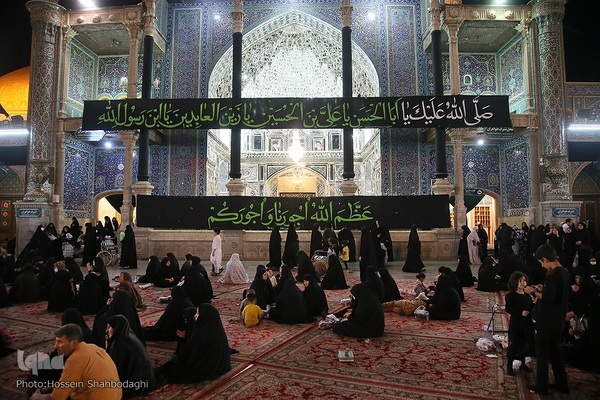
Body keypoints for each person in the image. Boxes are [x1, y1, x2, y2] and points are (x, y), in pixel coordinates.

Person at [29, 324, 121, 400]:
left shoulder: (75, 360)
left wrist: (36, 397)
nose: (55, 346)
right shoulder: (93, 347)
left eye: (60, 342)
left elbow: (56, 398)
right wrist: (50, 389)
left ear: (73, 342)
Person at [524, 244, 570, 395]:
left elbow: (549, 298)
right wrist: (542, 288)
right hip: (558, 319)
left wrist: (532, 292)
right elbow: (556, 293)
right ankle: (561, 383)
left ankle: (542, 385)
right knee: (555, 352)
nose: (542, 266)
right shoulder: (564, 272)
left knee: (542, 353)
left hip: (547, 320)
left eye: (541, 262)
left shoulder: (552, 275)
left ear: (545, 259)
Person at [159, 304, 231, 383]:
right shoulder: (216, 329)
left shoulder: (201, 333)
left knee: (170, 367)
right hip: (220, 365)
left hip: (206, 368)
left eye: (198, 313)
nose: (195, 315)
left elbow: (190, 354)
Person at [105, 315, 156, 398]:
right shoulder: (129, 336)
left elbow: (112, 366)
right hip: (145, 378)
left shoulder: (119, 343)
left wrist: (107, 346)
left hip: (134, 383)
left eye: (109, 327)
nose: (106, 330)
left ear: (117, 328)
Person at [505, 271, 534, 376]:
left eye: (524, 280)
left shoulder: (527, 296)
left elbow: (530, 307)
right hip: (516, 323)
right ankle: (509, 367)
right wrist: (520, 312)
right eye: (520, 280)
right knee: (514, 345)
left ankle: (522, 363)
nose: (523, 283)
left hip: (526, 323)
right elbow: (508, 309)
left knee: (524, 342)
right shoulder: (510, 296)